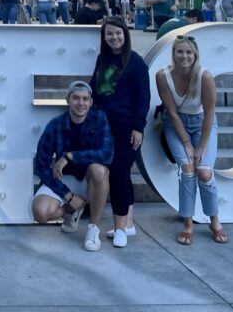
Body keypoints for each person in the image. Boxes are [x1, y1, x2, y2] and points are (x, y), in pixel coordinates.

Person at [156, 34, 227, 246]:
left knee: (204, 172)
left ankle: (214, 221)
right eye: (180, 51)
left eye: (189, 52)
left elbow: (209, 112)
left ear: (195, 55)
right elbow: (171, 111)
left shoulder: (204, 76)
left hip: (202, 124)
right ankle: (188, 224)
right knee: (187, 170)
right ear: (173, 54)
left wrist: (201, 146)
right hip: (175, 125)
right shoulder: (162, 76)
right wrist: (186, 142)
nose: (184, 56)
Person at [31, 81, 113, 252]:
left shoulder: (100, 119)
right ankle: (72, 209)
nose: (81, 103)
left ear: (91, 102)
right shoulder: (55, 125)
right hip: (62, 180)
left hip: (88, 179)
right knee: (40, 212)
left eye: (85, 99)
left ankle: (93, 229)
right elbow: (41, 165)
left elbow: (107, 154)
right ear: (67, 100)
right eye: (76, 98)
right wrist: (68, 196)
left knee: (99, 170)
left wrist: (70, 156)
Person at [91, 16, 149, 248]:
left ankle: (120, 229)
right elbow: (94, 87)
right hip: (104, 126)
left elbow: (143, 98)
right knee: (122, 175)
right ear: (104, 38)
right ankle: (129, 223)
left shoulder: (135, 62)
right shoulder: (101, 59)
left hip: (127, 127)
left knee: (118, 174)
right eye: (109, 34)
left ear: (125, 34)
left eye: (118, 33)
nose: (114, 37)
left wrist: (138, 127)